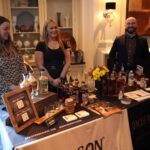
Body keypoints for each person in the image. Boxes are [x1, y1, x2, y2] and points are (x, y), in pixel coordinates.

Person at [35, 19, 71, 92]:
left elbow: (68, 62)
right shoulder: (41, 45)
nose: (54, 30)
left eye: (55, 27)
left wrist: (61, 78)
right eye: (51, 28)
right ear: (46, 30)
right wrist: (52, 81)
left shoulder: (63, 44)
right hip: (46, 81)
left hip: (61, 81)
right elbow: (40, 66)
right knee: (48, 102)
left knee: (63, 100)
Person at [0, 16, 25, 104]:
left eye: (9, 29)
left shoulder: (14, 45)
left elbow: (21, 64)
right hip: (3, 92)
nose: (8, 31)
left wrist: (23, 81)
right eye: (5, 29)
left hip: (18, 88)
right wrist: (11, 86)